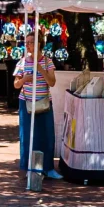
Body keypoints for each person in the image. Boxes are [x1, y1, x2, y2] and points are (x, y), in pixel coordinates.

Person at [13, 33, 61, 180]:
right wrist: (24, 80)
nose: (27, 45)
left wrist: (39, 68)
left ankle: (48, 168)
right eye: (26, 42)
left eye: (31, 42)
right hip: (26, 102)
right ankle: (30, 167)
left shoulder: (47, 62)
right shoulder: (22, 62)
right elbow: (16, 84)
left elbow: (52, 82)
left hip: (44, 102)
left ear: (39, 44)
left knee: (47, 136)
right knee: (27, 136)